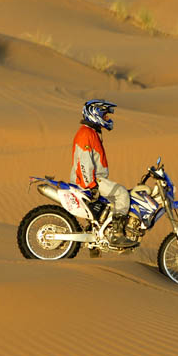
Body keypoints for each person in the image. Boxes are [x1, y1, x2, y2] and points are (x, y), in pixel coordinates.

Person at [71, 99, 136, 248]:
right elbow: (84, 162)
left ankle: (96, 238)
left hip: (92, 179)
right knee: (122, 194)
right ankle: (117, 235)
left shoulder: (91, 133)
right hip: (89, 180)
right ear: (95, 114)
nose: (107, 118)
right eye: (105, 115)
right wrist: (91, 185)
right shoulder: (86, 134)